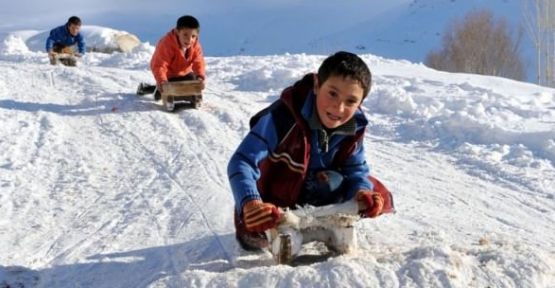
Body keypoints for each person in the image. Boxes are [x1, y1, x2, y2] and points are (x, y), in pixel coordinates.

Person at [228, 51, 395, 251]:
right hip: (276, 194)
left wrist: (361, 191)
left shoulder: (354, 127)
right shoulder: (283, 117)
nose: (339, 107)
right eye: (332, 93)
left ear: (360, 103)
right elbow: (242, 161)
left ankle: (328, 223)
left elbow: (356, 169)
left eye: (351, 101)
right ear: (317, 85)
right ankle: (276, 226)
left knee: (363, 191)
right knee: (252, 236)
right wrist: (250, 202)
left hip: (316, 192)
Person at [137, 15, 206, 101]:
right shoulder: (166, 44)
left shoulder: (195, 45)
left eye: (193, 36)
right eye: (185, 35)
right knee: (165, 90)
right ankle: (152, 89)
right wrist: (162, 81)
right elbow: (159, 65)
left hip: (184, 74)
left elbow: (198, 61)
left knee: (192, 83)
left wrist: (200, 77)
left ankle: (187, 95)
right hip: (168, 76)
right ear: (177, 32)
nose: (189, 39)